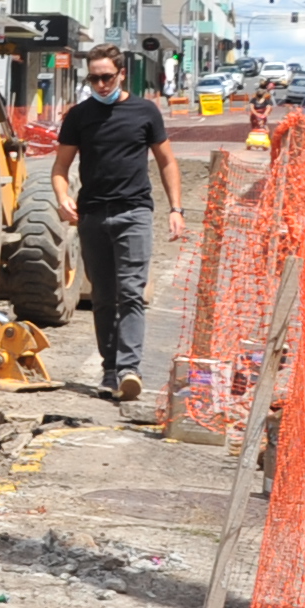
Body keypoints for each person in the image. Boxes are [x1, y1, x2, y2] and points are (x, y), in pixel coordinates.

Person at [52, 43, 187, 404]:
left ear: (121, 74)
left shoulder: (145, 111)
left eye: (106, 77)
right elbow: (60, 168)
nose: (100, 84)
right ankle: (110, 370)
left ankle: (130, 369)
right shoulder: (78, 116)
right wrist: (62, 196)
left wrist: (176, 208)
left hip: (135, 213)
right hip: (92, 216)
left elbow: (167, 162)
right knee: (102, 297)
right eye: (94, 78)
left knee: (130, 293)